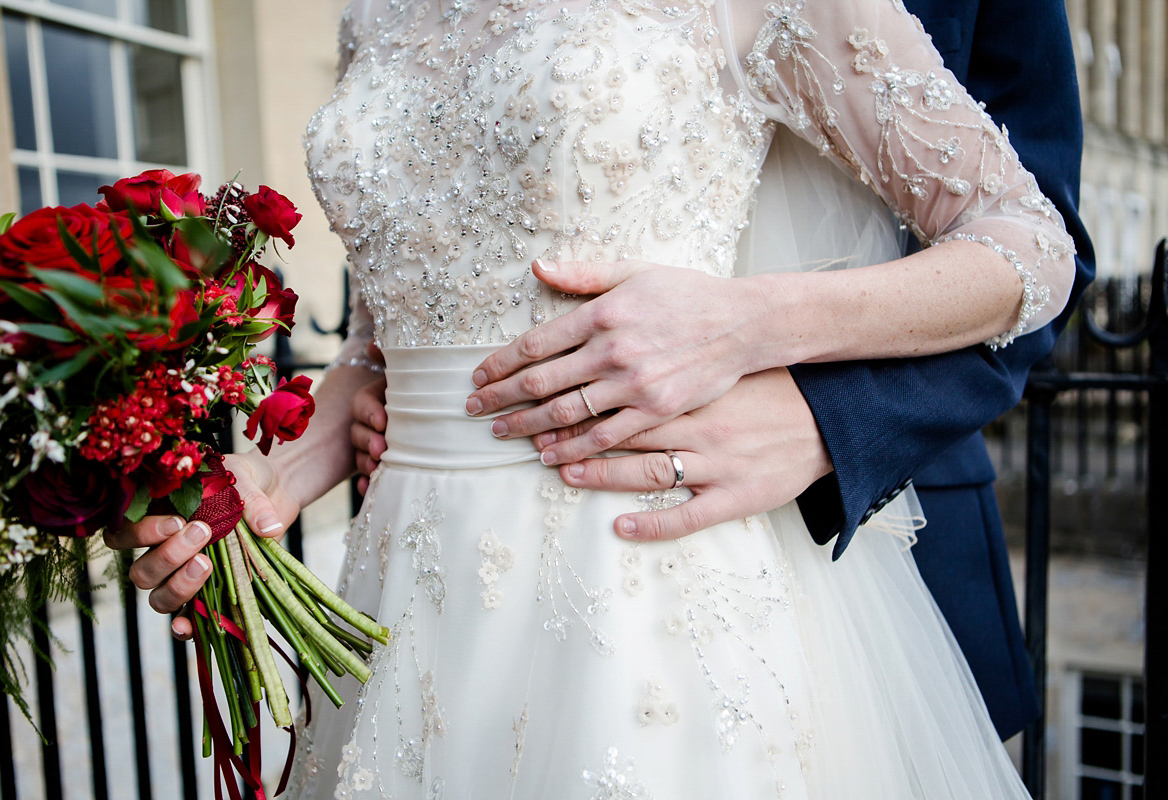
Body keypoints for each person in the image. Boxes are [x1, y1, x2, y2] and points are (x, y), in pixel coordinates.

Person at [110, 1, 1078, 796]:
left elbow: (1027, 240)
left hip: (647, 550)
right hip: (405, 571)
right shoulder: (374, 15)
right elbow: (396, 330)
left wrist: (749, 322)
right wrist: (271, 481)